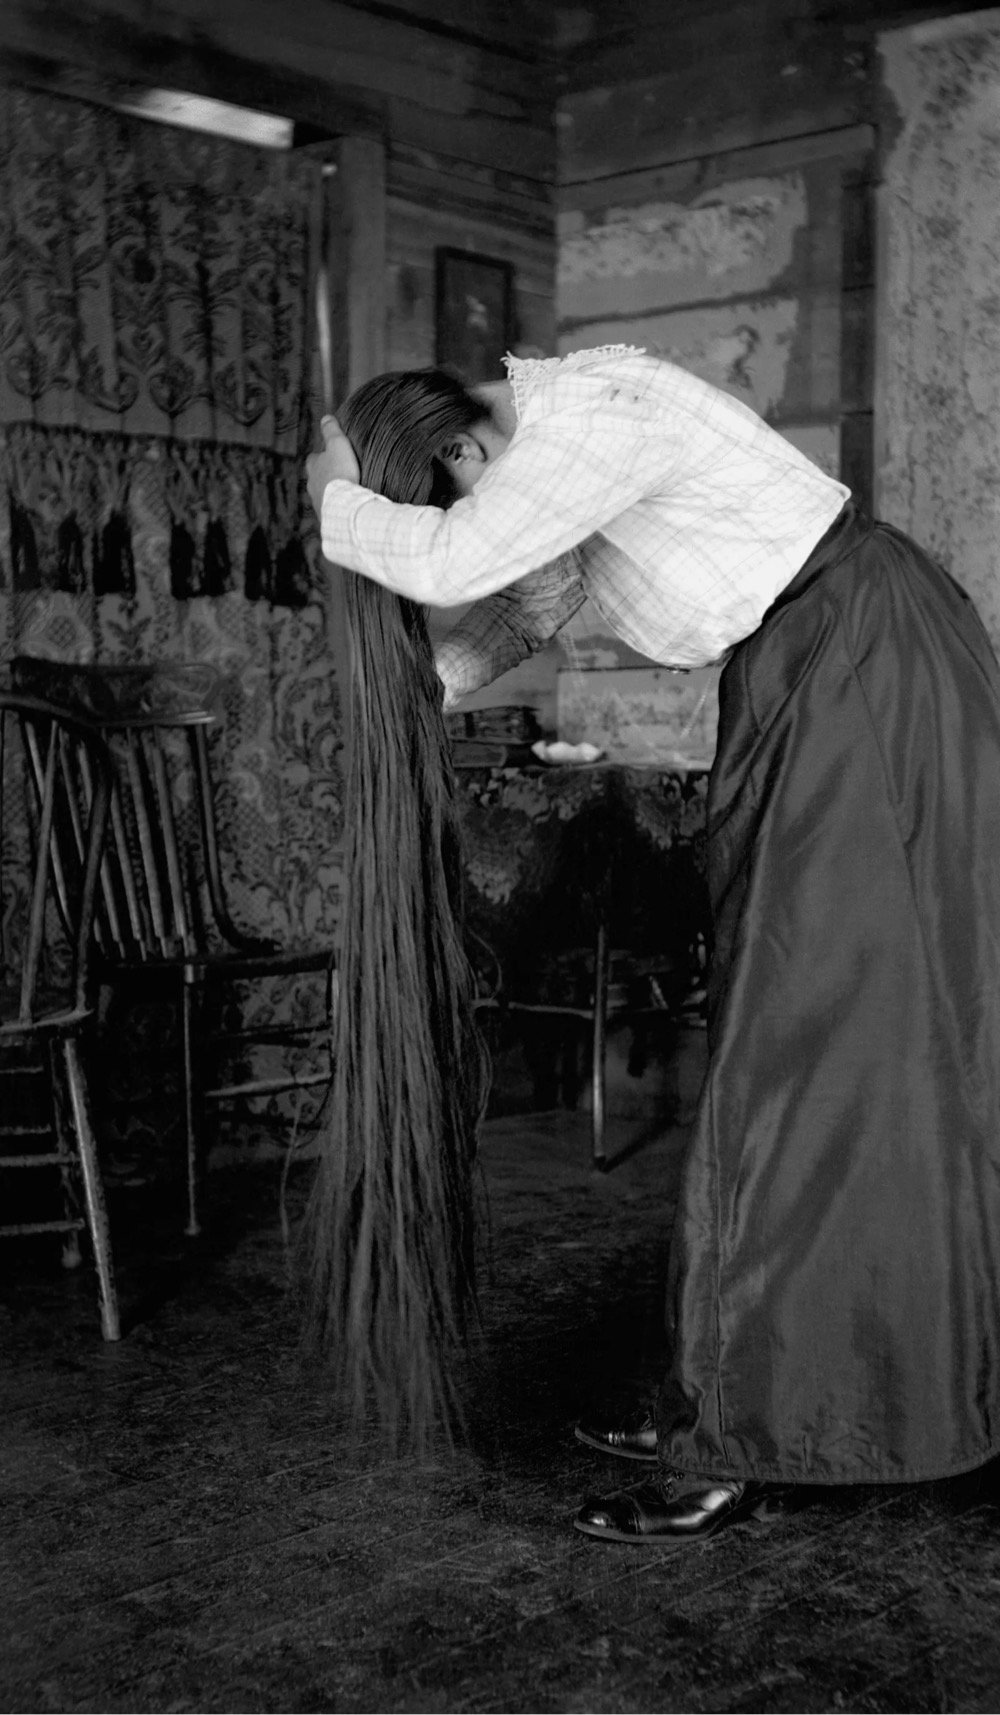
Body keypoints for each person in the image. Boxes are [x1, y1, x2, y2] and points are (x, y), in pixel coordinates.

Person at [305, 345, 1000, 1546]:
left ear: (464, 451)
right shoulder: (567, 457)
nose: (479, 510)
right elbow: (532, 600)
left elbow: (469, 560)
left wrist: (334, 496)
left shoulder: (590, 410)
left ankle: (752, 1422)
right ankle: (751, 1388)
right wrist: (419, 688)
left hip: (859, 667)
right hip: (820, 667)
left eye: (456, 492)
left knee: (805, 1047)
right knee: (815, 1039)